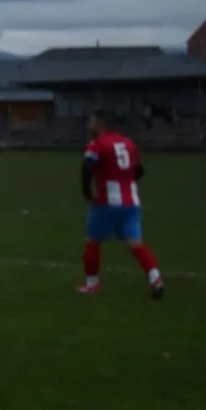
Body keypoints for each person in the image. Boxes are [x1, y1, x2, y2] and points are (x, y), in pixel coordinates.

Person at [77, 110, 165, 299]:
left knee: (92, 242)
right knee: (135, 244)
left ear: (101, 122)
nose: (89, 123)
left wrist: (87, 191)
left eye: (91, 119)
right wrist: (124, 181)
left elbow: (87, 166)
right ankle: (155, 278)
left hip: (107, 202)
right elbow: (139, 171)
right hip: (131, 201)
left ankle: (91, 285)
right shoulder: (128, 143)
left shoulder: (97, 144)